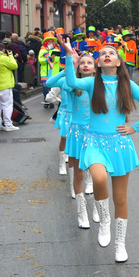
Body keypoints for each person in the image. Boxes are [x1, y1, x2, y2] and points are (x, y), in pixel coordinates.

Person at [63, 41, 139, 262]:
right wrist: (69, 56)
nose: (107, 55)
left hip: (119, 145)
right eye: (103, 53)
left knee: (120, 198)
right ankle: (104, 220)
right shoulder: (91, 83)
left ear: (118, 62)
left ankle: (120, 244)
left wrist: (135, 127)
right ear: (98, 63)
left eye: (112, 53)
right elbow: (71, 81)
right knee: (98, 178)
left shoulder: (127, 85)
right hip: (94, 142)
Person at [47, 52, 99, 228]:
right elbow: (50, 83)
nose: (85, 65)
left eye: (89, 62)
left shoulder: (100, 85)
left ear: (95, 67)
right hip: (76, 130)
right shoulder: (71, 84)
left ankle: (97, 206)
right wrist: (67, 66)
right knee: (79, 172)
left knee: (98, 172)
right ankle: (81, 211)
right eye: (82, 63)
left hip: (94, 132)